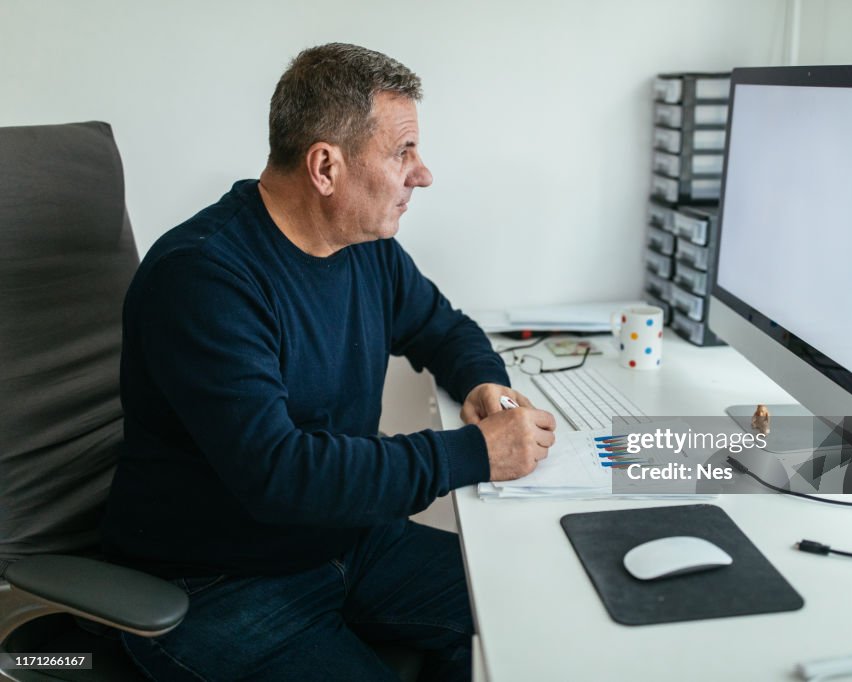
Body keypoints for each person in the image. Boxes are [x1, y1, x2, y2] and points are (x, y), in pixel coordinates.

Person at [102, 42, 556, 681]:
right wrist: (474, 453)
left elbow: (444, 328)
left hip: (346, 539)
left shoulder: (363, 245)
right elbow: (280, 473)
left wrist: (484, 383)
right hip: (216, 583)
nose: (422, 174)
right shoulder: (204, 279)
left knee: (534, 615)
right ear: (325, 167)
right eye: (403, 152)